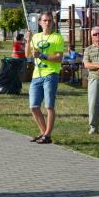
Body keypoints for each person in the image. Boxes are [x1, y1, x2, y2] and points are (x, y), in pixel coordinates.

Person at [25, 11, 64, 144]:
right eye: (45, 20)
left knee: (49, 106)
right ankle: (43, 133)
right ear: (40, 22)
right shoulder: (36, 37)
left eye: (49, 20)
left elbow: (59, 58)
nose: (47, 23)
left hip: (50, 74)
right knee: (34, 106)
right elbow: (27, 55)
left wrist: (42, 55)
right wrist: (28, 40)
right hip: (37, 75)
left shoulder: (57, 37)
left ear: (53, 23)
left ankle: (47, 134)